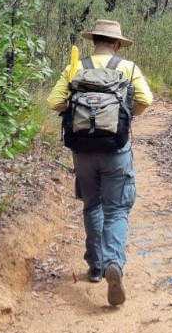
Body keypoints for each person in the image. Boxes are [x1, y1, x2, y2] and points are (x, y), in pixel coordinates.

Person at [48, 20, 153, 306]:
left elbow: (54, 102)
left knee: (92, 204)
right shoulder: (128, 69)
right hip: (117, 150)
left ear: (93, 40)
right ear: (117, 43)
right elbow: (146, 100)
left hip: (82, 150)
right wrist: (122, 113)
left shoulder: (76, 67)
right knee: (117, 209)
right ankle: (113, 263)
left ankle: (95, 267)